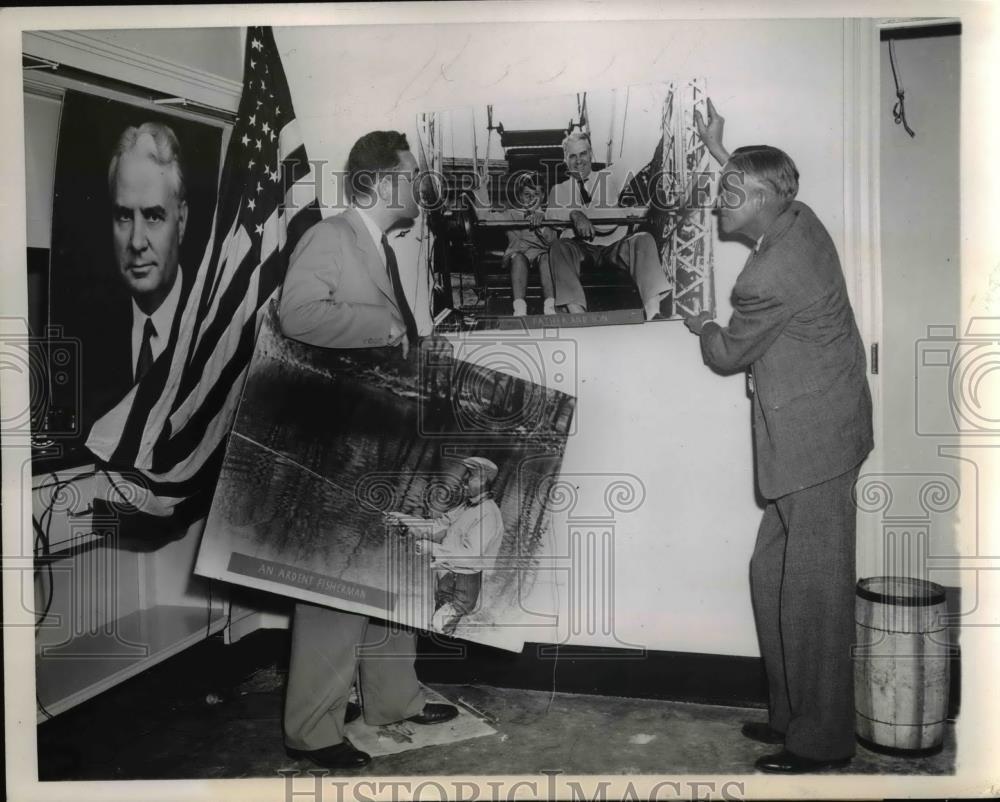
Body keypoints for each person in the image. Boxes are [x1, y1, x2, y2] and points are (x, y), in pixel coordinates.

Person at [683, 100, 873, 774]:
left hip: (815, 444)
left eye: (730, 192)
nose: (717, 202)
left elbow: (728, 353)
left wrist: (699, 322)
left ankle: (822, 742)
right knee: (774, 573)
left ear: (765, 197)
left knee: (814, 595)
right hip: (818, 431)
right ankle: (793, 716)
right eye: (720, 187)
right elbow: (759, 185)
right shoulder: (798, 216)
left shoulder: (766, 276)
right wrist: (719, 150)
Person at [277, 130, 458, 771]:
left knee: (398, 569)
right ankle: (313, 729)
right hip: (337, 441)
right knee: (333, 583)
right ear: (382, 182)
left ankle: (393, 700)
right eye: (412, 174)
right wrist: (379, 328)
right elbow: (294, 312)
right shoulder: (331, 237)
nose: (421, 185)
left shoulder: (379, 245)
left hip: (382, 435)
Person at [546, 131, 672, 320]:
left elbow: (641, 154)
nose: (578, 161)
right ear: (565, 159)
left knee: (643, 239)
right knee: (558, 247)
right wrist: (574, 214)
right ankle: (577, 315)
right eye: (572, 156)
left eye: (583, 154)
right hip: (580, 250)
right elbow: (551, 215)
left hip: (614, 248)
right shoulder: (559, 190)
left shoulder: (610, 176)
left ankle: (653, 311)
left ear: (591, 154)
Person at [387, 457, 505, 635]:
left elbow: (470, 556)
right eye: (466, 474)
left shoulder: (489, 515)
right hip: (447, 581)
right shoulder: (466, 507)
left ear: (482, 481)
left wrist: (432, 548)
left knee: (438, 628)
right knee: (436, 628)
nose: (464, 479)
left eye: (470, 476)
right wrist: (404, 521)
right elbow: (437, 527)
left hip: (463, 588)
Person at [502, 177, 557, 317]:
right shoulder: (511, 214)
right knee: (518, 259)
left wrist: (542, 223)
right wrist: (482, 189)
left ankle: (550, 307)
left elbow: (553, 242)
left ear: (543, 196)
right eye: (527, 195)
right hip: (518, 254)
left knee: (547, 258)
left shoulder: (549, 215)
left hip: (541, 254)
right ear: (520, 196)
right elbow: (485, 217)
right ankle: (519, 308)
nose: (532, 198)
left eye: (536, 195)